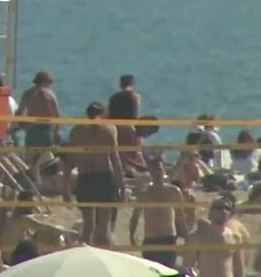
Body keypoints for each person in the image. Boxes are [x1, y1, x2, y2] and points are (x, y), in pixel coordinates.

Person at [63, 101, 124, 247]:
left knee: (88, 226)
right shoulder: (109, 129)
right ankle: (105, 256)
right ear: (103, 114)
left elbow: (68, 163)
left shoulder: (76, 131)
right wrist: (121, 186)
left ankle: (86, 257)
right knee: (104, 225)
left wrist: (65, 189)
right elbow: (115, 160)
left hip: (85, 179)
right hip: (103, 178)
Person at [129, 157, 187, 269]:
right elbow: (135, 215)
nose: (157, 173)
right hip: (150, 240)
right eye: (153, 170)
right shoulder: (144, 193)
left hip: (169, 239)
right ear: (149, 172)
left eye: (159, 169)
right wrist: (132, 233)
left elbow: (180, 216)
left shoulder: (173, 191)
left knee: (167, 271)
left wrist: (186, 236)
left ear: (164, 170)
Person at [15, 70, 60, 178]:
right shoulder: (51, 95)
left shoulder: (27, 94)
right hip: (46, 131)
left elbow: (19, 112)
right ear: (46, 82)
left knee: (32, 162)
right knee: (47, 161)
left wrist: (21, 126)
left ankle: (36, 182)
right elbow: (57, 116)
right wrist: (55, 133)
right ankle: (47, 184)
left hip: (32, 130)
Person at [186, 198, 246, 277]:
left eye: (227, 208)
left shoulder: (235, 237)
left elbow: (239, 268)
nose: (224, 211)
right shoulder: (198, 236)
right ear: (210, 213)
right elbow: (187, 267)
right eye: (219, 207)